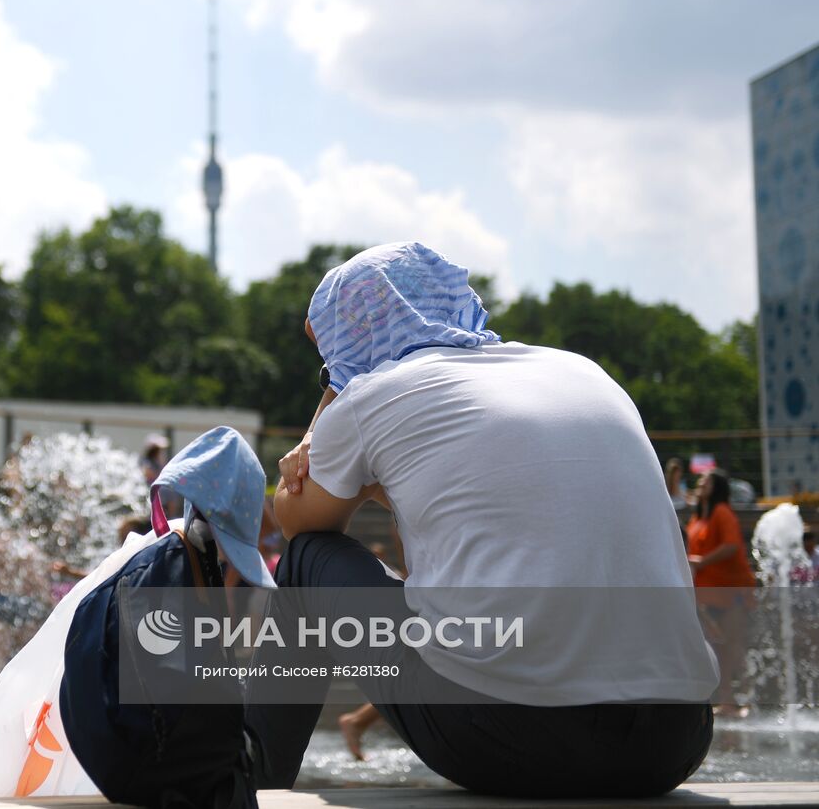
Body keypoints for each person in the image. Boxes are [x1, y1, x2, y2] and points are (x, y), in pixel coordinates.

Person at [248, 242, 717, 799]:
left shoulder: (372, 395)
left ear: (345, 343)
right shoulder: (583, 372)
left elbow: (296, 520)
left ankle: (248, 774)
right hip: (676, 740)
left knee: (307, 560)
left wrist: (328, 399)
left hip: (514, 736)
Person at [686, 469, 757, 717]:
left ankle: (750, 700)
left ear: (716, 487)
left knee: (734, 646)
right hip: (708, 596)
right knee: (718, 648)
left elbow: (731, 546)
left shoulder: (722, 513)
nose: (700, 483)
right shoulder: (697, 520)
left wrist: (700, 561)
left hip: (731, 592)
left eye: (705, 481)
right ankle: (727, 700)